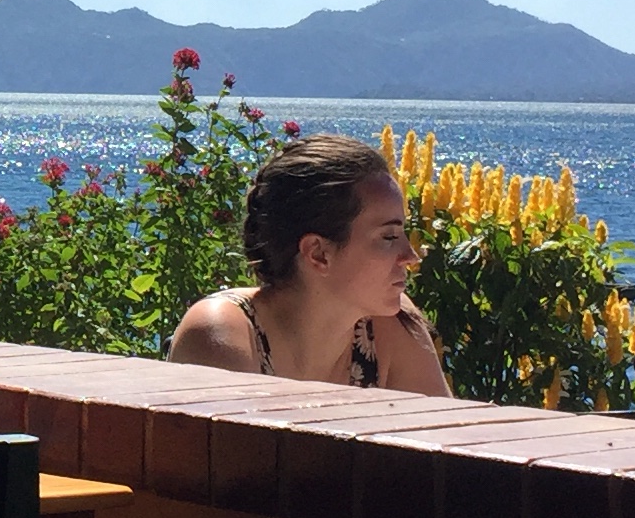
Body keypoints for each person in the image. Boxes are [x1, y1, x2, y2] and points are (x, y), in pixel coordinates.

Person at [169, 134, 452, 395]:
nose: (411, 256)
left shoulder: (390, 325)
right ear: (318, 254)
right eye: (389, 237)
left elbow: (446, 430)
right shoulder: (223, 332)